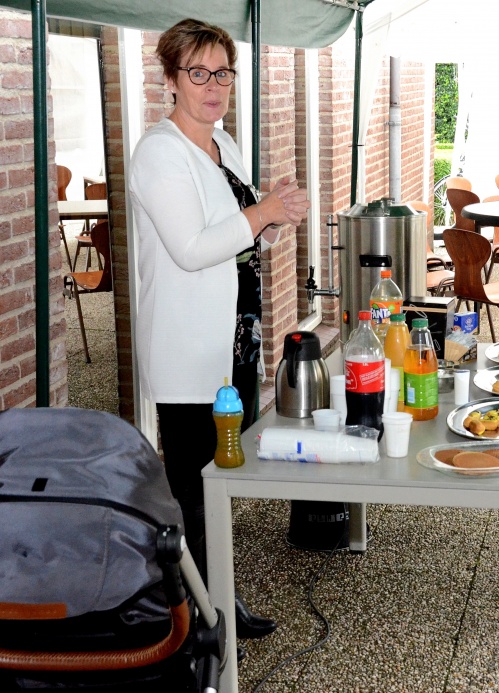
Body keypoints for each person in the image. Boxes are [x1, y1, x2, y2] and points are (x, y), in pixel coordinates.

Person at [130, 18, 309, 641]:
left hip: (234, 339)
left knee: (221, 480)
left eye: (223, 73)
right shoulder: (159, 152)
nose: (213, 86)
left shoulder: (222, 143)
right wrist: (261, 212)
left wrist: (272, 216)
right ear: (171, 79)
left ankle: (220, 601)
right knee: (192, 490)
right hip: (186, 352)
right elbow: (191, 249)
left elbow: (240, 234)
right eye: (198, 73)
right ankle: (190, 624)